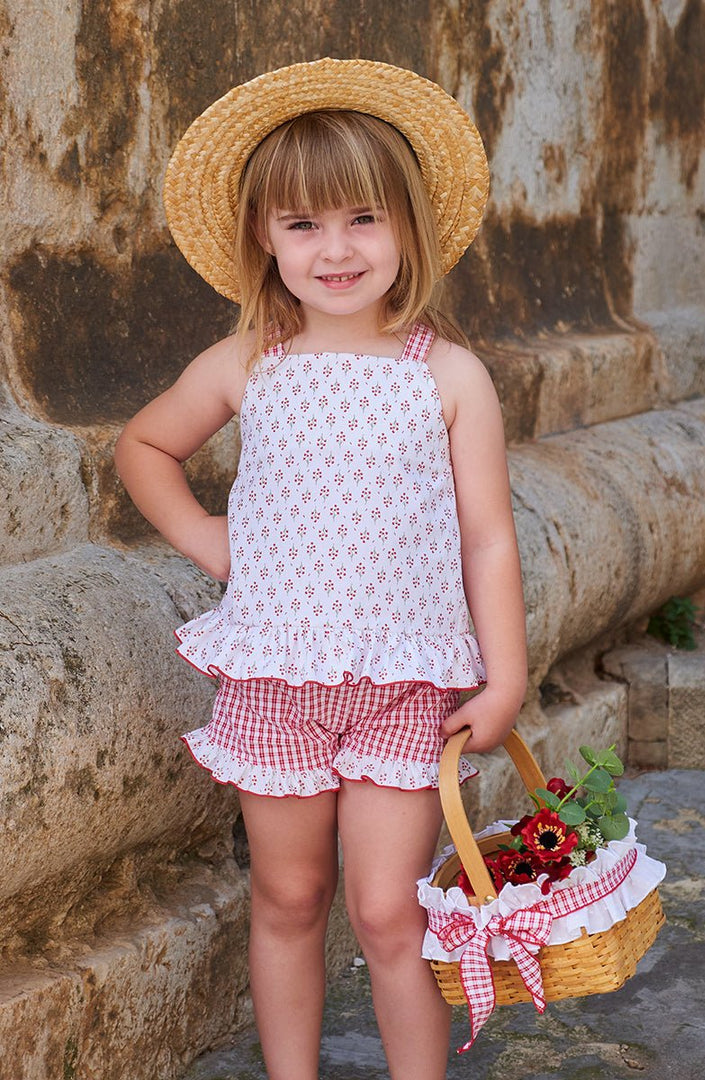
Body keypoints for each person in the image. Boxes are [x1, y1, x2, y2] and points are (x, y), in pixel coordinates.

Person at [115, 58, 527, 1080]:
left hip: (404, 688)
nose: (334, 249)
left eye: (362, 219)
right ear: (265, 235)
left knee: (389, 908)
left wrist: (507, 674)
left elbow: (487, 535)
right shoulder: (248, 360)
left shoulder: (447, 373)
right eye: (302, 225)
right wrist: (216, 543)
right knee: (290, 896)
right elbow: (144, 447)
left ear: (409, 228)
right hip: (275, 679)